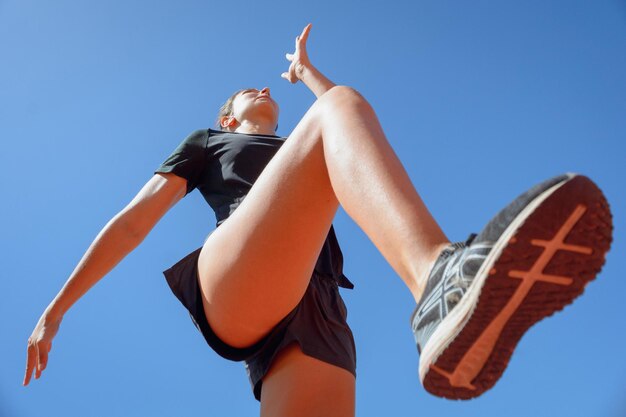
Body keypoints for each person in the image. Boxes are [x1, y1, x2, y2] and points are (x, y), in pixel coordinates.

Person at [24, 23, 612, 416]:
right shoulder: (207, 142)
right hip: (236, 279)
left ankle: (446, 298)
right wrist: (54, 313)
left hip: (320, 306)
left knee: (337, 111)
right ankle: (438, 282)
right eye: (242, 92)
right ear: (226, 119)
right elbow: (133, 221)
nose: (258, 86)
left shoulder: (301, 148)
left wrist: (305, 73)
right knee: (338, 108)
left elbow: (348, 131)